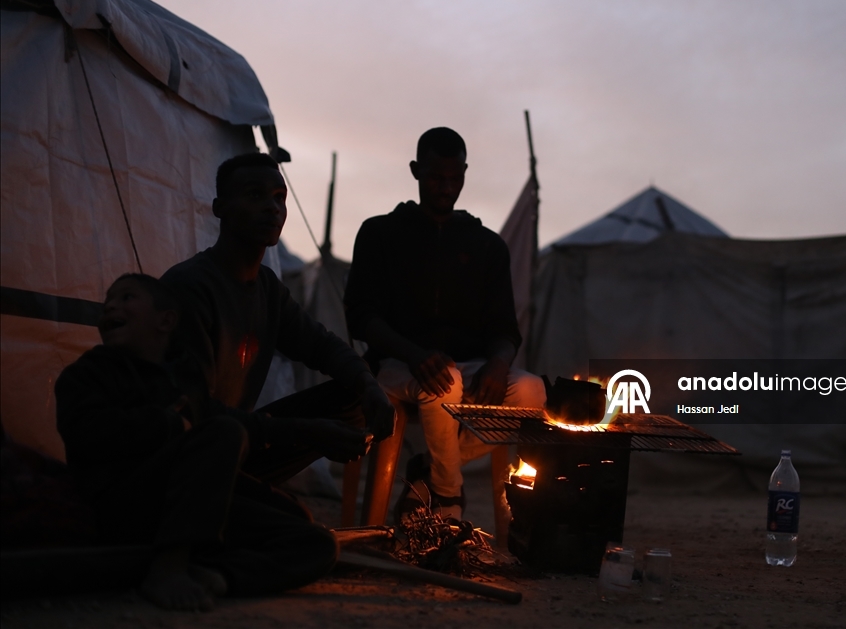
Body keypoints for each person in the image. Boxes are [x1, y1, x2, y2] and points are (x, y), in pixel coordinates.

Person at [56, 274, 338, 611]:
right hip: (124, 503)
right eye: (108, 303)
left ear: (166, 321)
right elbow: (85, 433)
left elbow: (235, 426)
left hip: (186, 505)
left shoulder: (182, 381)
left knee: (313, 538)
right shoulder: (88, 374)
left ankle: (216, 576)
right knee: (224, 432)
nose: (111, 306)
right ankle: (169, 567)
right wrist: (166, 424)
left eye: (126, 297)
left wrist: (306, 433)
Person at [344, 127, 545, 521]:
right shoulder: (380, 233)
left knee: (531, 392)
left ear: (465, 173)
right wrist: (414, 355)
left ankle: (429, 472)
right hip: (395, 364)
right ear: (416, 170)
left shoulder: (487, 245)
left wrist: (499, 363)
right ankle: (449, 504)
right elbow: (360, 316)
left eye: (455, 178)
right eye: (436, 177)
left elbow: (505, 328)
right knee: (444, 382)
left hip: (469, 366)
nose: (446, 187)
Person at [161, 153, 396, 486]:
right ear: (220, 207)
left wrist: (369, 384)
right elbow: (193, 411)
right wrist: (306, 433)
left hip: (237, 443)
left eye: (279, 198)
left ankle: (244, 488)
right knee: (294, 520)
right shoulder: (190, 287)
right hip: (185, 457)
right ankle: (237, 494)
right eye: (255, 195)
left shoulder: (267, 288)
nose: (272, 208)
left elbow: (321, 345)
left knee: (355, 395)